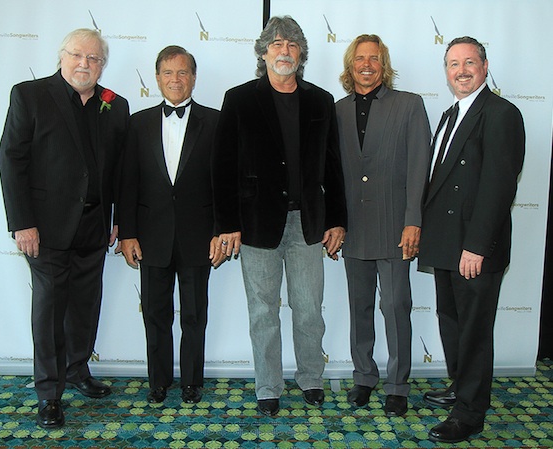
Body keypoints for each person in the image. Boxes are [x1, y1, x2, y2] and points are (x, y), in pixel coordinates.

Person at [211, 15, 347, 417]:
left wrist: (337, 219)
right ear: (263, 52)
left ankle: (310, 379)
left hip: (309, 225)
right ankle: (268, 386)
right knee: (262, 313)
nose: (283, 51)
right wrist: (226, 225)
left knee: (308, 310)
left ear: (301, 53)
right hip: (255, 226)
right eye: (276, 44)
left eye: (291, 44)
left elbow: (333, 166)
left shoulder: (321, 100)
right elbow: (222, 166)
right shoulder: (239, 99)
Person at [0, 29, 129, 429]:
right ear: (62, 56)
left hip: (94, 227)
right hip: (46, 230)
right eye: (78, 55)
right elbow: (11, 160)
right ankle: (49, 393)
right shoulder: (30, 95)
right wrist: (23, 223)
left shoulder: (115, 105)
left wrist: (120, 218)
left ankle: (77, 370)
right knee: (51, 313)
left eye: (94, 59)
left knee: (86, 307)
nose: (85, 64)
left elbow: (122, 169)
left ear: (103, 65)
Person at [420, 36, 525, 443]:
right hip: (446, 242)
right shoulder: (450, 114)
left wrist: (477, 246)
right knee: (452, 324)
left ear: (484, 65)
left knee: (474, 332)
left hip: (473, 248)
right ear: (446, 72)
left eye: (468, 62)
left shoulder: (501, 114)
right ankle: (459, 386)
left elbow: (499, 187)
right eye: (452, 64)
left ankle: (470, 414)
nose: (461, 70)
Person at [335, 34, 431, 417]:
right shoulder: (337, 110)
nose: (367, 64)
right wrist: (334, 223)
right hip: (353, 228)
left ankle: (397, 385)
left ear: (383, 64)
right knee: (359, 307)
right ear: (350, 64)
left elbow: (419, 168)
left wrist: (413, 222)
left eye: (374, 58)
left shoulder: (409, 105)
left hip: (395, 227)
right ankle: (363, 377)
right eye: (360, 58)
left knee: (395, 306)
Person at [119, 46, 219, 405]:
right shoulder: (138, 122)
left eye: (183, 73)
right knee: (156, 316)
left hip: (199, 237)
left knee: (194, 316)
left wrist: (221, 231)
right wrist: (127, 232)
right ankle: (158, 381)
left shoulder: (216, 121)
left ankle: (192, 381)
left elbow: (223, 184)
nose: (175, 80)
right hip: (151, 237)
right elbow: (127, 182)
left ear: (193, 77)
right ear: (157, 78)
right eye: (168, 73)